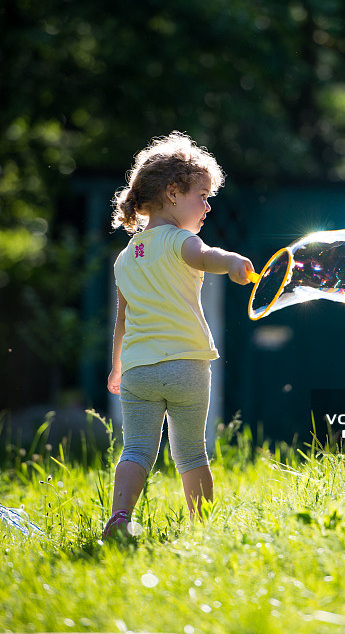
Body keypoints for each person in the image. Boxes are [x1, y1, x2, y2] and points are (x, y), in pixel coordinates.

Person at [103, 131, 254, 539]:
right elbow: (207, 256)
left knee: (135, 450)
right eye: (202, 195)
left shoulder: (124, 258)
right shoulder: (180, 240)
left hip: (137, 371)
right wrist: (234, 261)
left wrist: (117, 368)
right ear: (172, 192)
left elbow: (122, 319)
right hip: (187, 365)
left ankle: (120, 517)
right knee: (190, 453)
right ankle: (200, 529)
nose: (207, 206)